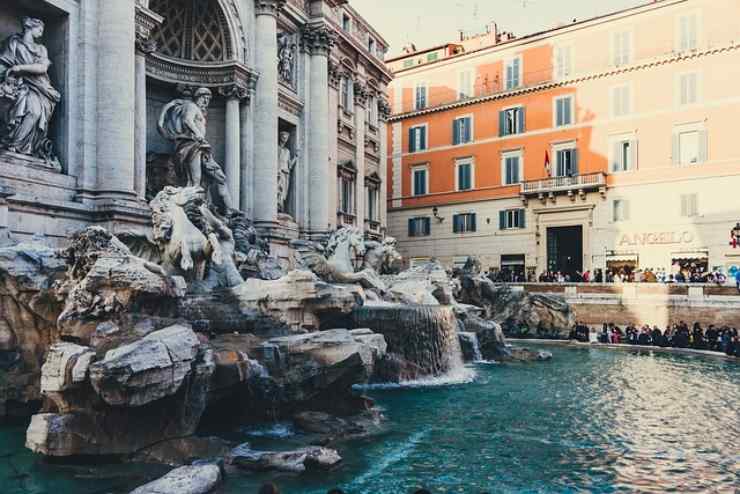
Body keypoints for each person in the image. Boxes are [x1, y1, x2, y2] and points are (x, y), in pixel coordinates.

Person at [158, 87, 235, 213]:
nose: (205, 102)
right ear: (197, 97)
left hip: (201, 147)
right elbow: (187, 120)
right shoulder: (191, 107)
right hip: (192, 145)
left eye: (208, 99)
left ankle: (231, 210)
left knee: (221, 178)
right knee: (195, 181)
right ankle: (194, 210)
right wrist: (198, 134)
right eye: (203, 98)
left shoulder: (199, 110)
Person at [0, 17, 61, 165]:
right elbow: (3, 62)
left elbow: (42, 68)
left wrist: (20, 68)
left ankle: (21, 146)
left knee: (35, 112)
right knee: (22, 103)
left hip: (39, 87)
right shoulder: (13, 43)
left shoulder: (41, 49)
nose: (41, 33)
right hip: (18, 84)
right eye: (39, 29)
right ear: (30, 28)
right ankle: (12, 144)